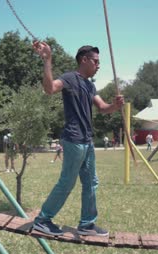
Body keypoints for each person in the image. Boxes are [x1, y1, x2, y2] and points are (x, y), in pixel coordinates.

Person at [32, 41, 124, 237]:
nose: (99, 65)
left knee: (91, 182)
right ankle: (43, 219)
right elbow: (49, 89)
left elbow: (102, 108)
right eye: (96, 61)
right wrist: (48, 60)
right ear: (84, 60)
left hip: (87, 140)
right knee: (67, 182)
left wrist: (115, 106)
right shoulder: (69, 78)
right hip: (73, 139)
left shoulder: (90, 86)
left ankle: (87, 224)